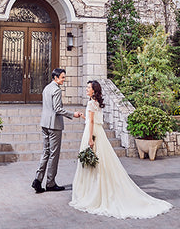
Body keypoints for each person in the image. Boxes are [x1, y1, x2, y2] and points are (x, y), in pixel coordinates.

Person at [69, 80, 172, 219]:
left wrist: (90, 139)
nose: (86, 89)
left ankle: (92, 193)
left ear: (94, 90)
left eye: (88, 88)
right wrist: (84, 116)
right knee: (100, 162)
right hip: (98, 132)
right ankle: (96, 189)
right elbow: (92, 120)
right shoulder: (96, 103)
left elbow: (92, 122)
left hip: (92, 133)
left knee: (94, 162)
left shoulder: (90, 103)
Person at [32, 67, 82, 193]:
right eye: (62, 77)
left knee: (46, 152)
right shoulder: (56, 90)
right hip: (54, 126)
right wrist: (73, 114)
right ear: (56, 78)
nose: (64, 80)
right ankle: (50, 183)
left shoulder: (47, 88)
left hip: (44, 124)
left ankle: (37, 180)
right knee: (53, 154)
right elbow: (58, 109)